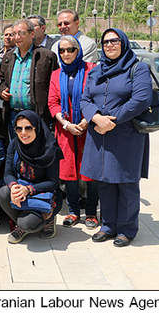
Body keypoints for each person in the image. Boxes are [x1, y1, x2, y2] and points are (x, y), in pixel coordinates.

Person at [80, 28, 152, 247]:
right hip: (99, 135)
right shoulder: (96, 71)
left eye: (114, 40)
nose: (109, 45)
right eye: (105, 42)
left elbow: (141, 99)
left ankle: (127, 229)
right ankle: (108, 225)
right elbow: (85, 99)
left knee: (126, 183)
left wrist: (111, 121)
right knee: (105, 182)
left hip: (126, 135)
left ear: (124, 42)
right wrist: (96, 118)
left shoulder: (138, 68)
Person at [48, 36, 98, 228]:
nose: (66, 54)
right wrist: (66, 124)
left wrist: (86, 121)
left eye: (70, 50)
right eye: (62, 50)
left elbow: (98, 98)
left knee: (90, 171)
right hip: (66, 130)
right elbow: (53, 102)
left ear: (79, 51)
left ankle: (91, 213)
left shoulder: (92, 70)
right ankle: (74, 211)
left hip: (89, 128)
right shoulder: (56, 74)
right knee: (69, 173)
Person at [0, 111, 62, 243]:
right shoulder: (14, 144)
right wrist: (14, 187)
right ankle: (24, 223)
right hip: (22, 189)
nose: (23, 133)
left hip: (44, 192)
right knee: (3, 193)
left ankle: (48, 218)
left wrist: (28, 189)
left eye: (28, 128)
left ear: (36, 128)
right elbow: (8, 173)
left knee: (27, 224)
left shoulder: (49, 148)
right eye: (19, 129)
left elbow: (53, 182)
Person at [0, 19, 58, 139]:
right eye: (14, 34)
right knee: (15, 148)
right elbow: (3, 81)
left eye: (21, 33)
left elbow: (54, 86)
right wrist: (3, 91)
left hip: (36, 115)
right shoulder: (8, 57)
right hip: (13, 115)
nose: (17, 37)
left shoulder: (45, 57)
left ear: (32, 34)